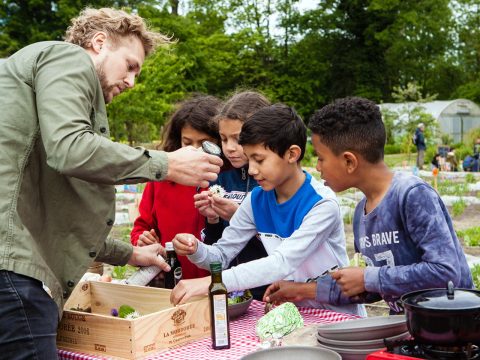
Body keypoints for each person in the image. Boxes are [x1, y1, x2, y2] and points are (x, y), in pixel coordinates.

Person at [0, 8, 222, 358]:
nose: (132, 81)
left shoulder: (34, 95)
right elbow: (70, 149)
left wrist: (130, 253)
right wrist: (167, 164)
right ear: (99, 42)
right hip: (14, 277)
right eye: (131, 65)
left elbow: (58, 216)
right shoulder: (68, 57)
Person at [263, 97, 473, 315]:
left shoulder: (411, 195)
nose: (317, 167)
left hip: (452, 330)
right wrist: (302, 290)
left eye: (321, 158)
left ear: (349, 161)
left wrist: (368, 277)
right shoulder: (360, 214)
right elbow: (372, 287)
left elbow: (446, 272)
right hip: (409, 327)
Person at [171, 104, 365, 316]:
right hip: (293, 318)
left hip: (340, 317)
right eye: (249, 158)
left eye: (259, 159)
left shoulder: (321, 204)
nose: (252, 170)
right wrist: (195, 249)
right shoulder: (256, 201)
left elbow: (281, 264)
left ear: (292, 154)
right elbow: (221, 255)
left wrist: (210, 283)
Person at [130, 95, 223, 281]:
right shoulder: (161, 181)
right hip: (172, 285)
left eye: (205, 143)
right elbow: (142, 227)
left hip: (220, 287)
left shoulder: (228, 179)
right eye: (187, 143)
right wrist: (143, 240)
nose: (195, 151)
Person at [193, 90, 270, 300]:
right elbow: (218, 245)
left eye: (238, 139)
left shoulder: (271, 179)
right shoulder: (221, 177)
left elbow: (284, 247)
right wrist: (212, 218)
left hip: (270, 289)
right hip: (233, 290)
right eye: (224, 139)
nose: (229, 148)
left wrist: (239, 216)